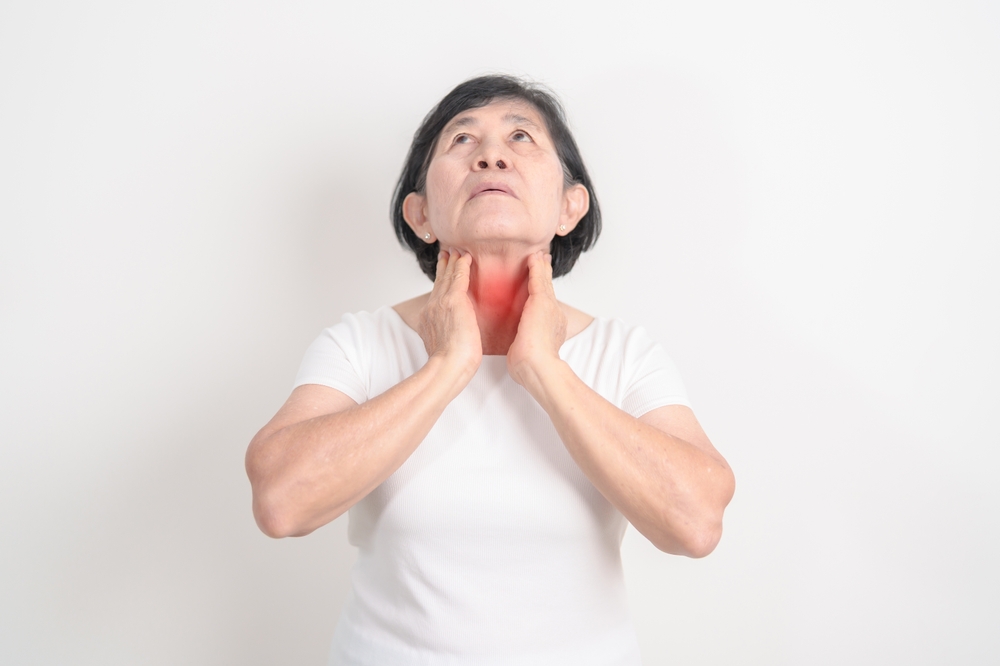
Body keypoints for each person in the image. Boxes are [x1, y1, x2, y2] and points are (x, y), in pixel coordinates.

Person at [245, 75, 735, 665]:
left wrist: (545, 371)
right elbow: (281, 501)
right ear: (420, 213)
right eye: (461, 140)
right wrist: (448, 367)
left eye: (522, 137)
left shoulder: (624, 354)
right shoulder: (361, 344)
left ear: (569, 207)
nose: (491, 154)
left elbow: (697, 521)